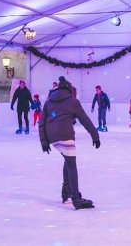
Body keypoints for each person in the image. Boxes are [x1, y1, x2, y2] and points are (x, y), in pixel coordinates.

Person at [39, 76, 100, 210]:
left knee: (68, 160)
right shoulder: (73, 101)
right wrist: (95, 136)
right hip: (65, 134)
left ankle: (66, 190)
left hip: (52, 136)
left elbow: (41, 122)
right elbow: (85, 120)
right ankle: (76, 198)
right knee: (71, 165)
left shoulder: (48, 102)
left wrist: (44, 142)